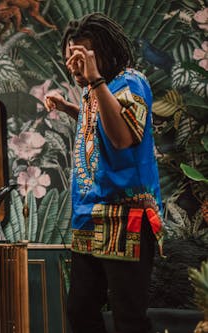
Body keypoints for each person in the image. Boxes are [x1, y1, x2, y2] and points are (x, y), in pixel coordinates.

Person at [44, 13, 164, 333]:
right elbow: (98, 126)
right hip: (89, 217)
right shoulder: (94, 92)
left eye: (82, 57)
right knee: (80, 310)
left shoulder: (130, 82)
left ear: (104, 53)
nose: (75, 65)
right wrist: (72, 108)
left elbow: (122, 137)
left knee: (128, 316)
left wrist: (95, 79)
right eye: (71, 58)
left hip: (127, 218)